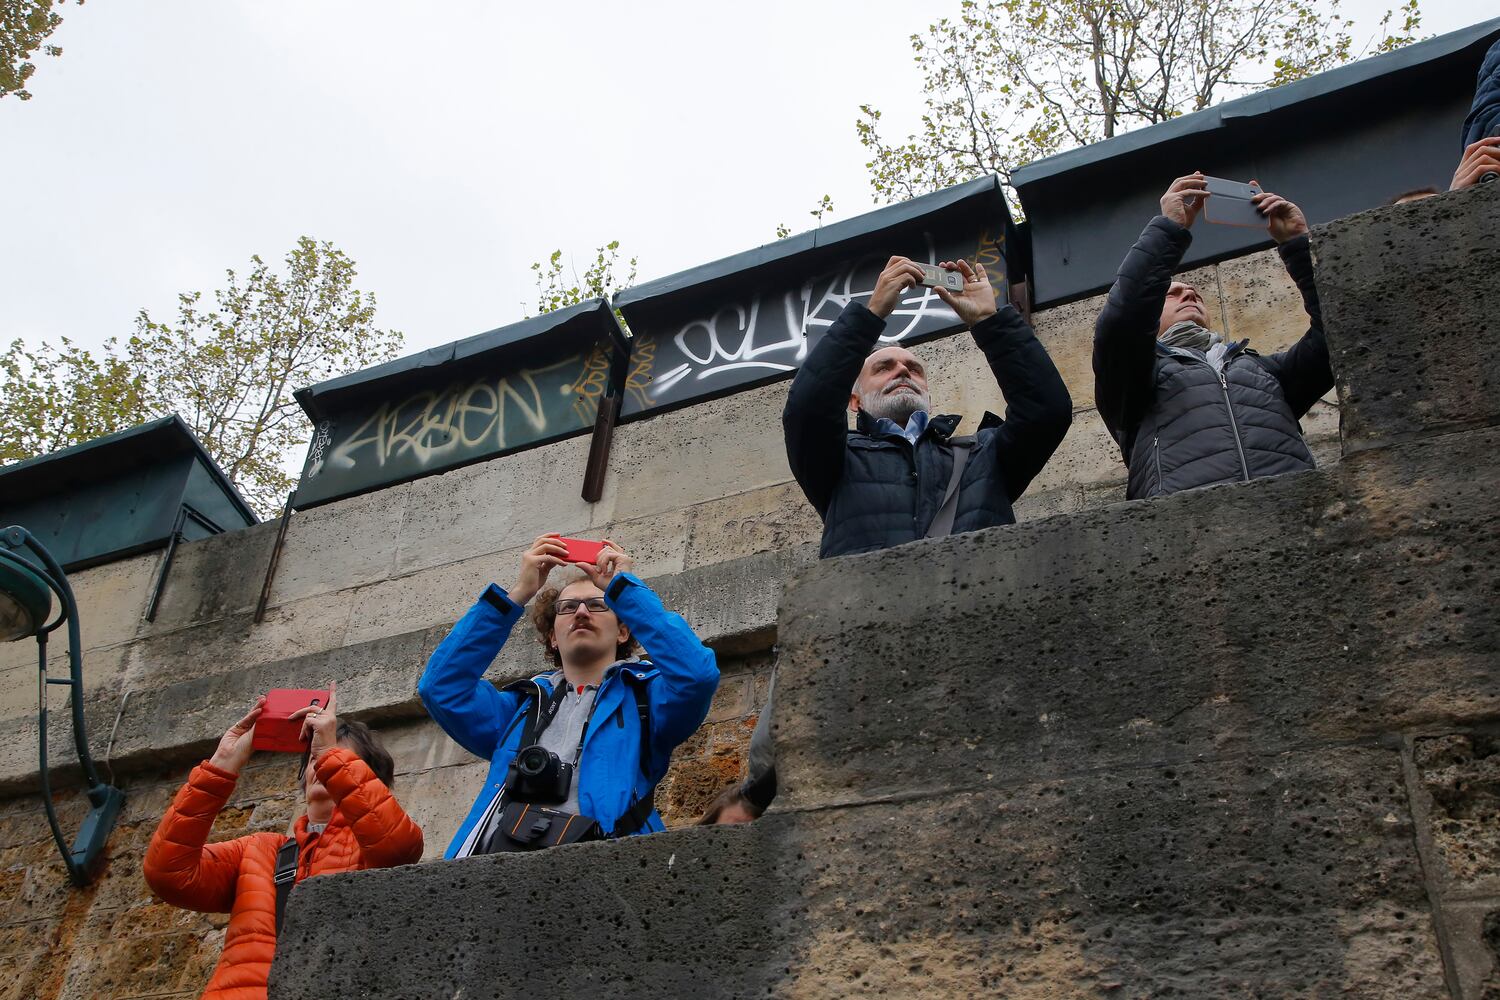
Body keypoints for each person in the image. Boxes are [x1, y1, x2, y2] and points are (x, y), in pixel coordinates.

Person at [418, 536, 719, 858]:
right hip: (502, 862)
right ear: (552, 638)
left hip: (609, 866)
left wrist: (624, 589)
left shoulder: (647, 699)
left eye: (597, 605)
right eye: (567, 607)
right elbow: (441, 688)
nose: (581, 613)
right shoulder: (519, 708)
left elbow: (696, 675)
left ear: (622, 632)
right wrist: (518, 594)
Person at [144, 685, 422, 1000]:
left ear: (369, 777)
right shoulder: (257, 850)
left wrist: (330, 751)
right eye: (315, 758)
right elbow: (168, 874)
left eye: (335, 755)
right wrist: (223, 763)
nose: (321, 764)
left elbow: (399, 847)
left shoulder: (374, 849)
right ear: (303, 776)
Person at [782, 256, 1072, 558]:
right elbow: (807, 411)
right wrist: (871, 315)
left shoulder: (983, 455)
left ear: (928, 396)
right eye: (884, 367)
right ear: (854, 401)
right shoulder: (836, 459)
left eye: (914, 368)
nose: (903, 371)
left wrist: (990, 321)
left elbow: (1047, 411)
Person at [1093, 173, 1333, 500]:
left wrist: (1297, 245)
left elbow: (1337, 331)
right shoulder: (1136, 378)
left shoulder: (1262, 370)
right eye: (1173, 293)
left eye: (1195, 294)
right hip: (1190, 532)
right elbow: (1121, 324)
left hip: (1296, 517)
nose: (1190, 294)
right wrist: (1169, 229)